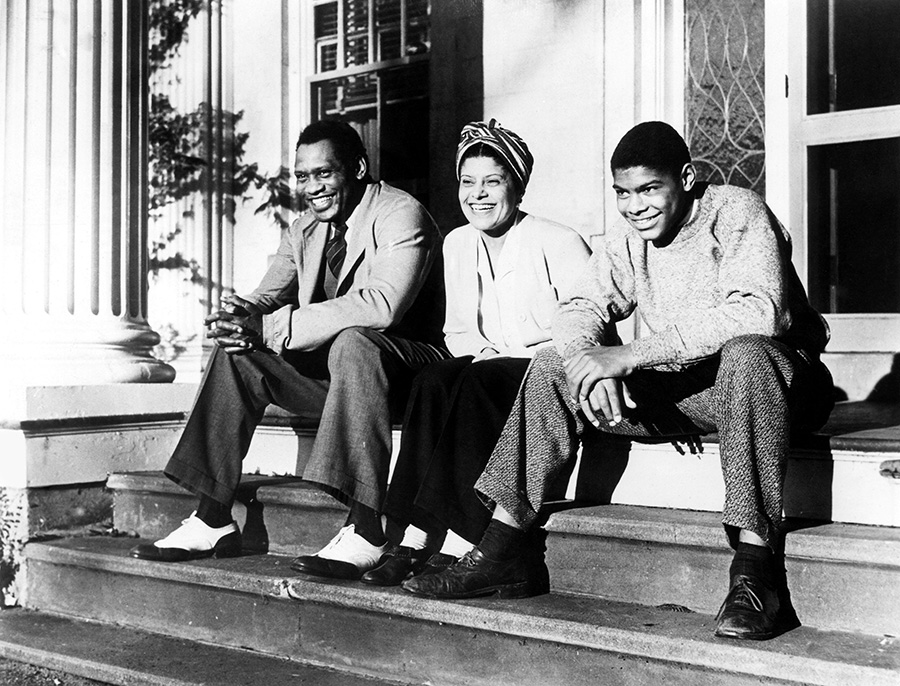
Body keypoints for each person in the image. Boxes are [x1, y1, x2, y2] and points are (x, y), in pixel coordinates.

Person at [403, 121, 835, 642]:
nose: (637, 207)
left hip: (780, 383)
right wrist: (589, 358)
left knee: (745, 353)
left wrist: (628, 355)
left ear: (688, 178)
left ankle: (755, 568)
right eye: (624, 194)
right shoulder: (628, 238)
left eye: (650, 189)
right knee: (553, 364)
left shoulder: (737, 212)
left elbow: (756, 313)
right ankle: (504, 546)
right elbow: (580, 306)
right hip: (693, 388)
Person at [131, 120, 448, 575]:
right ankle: (212, 518)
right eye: (302, 176)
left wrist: (270, 326)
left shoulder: (400, 213)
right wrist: (237, 318)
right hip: (343, 375)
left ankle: (367, 528)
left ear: (358, 169)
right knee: (237, 354)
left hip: (409, 374)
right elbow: (268, 297)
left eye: (324, 174)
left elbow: (382, 306)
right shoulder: (305, 228)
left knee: (355, 342)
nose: (312, 188)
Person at [341, 120, 591, 588]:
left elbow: (587, 331)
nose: (477, 194)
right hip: (487, 368)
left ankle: (458, 536)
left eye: (492, 182)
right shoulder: (457, 244)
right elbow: (458, 332)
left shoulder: (558, 240)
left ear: (516, 187)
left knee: (475, 381)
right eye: (467, 182)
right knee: (434, 380)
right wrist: (483, 356)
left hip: (548, 377)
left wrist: (497, 359)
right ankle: (413, 536)